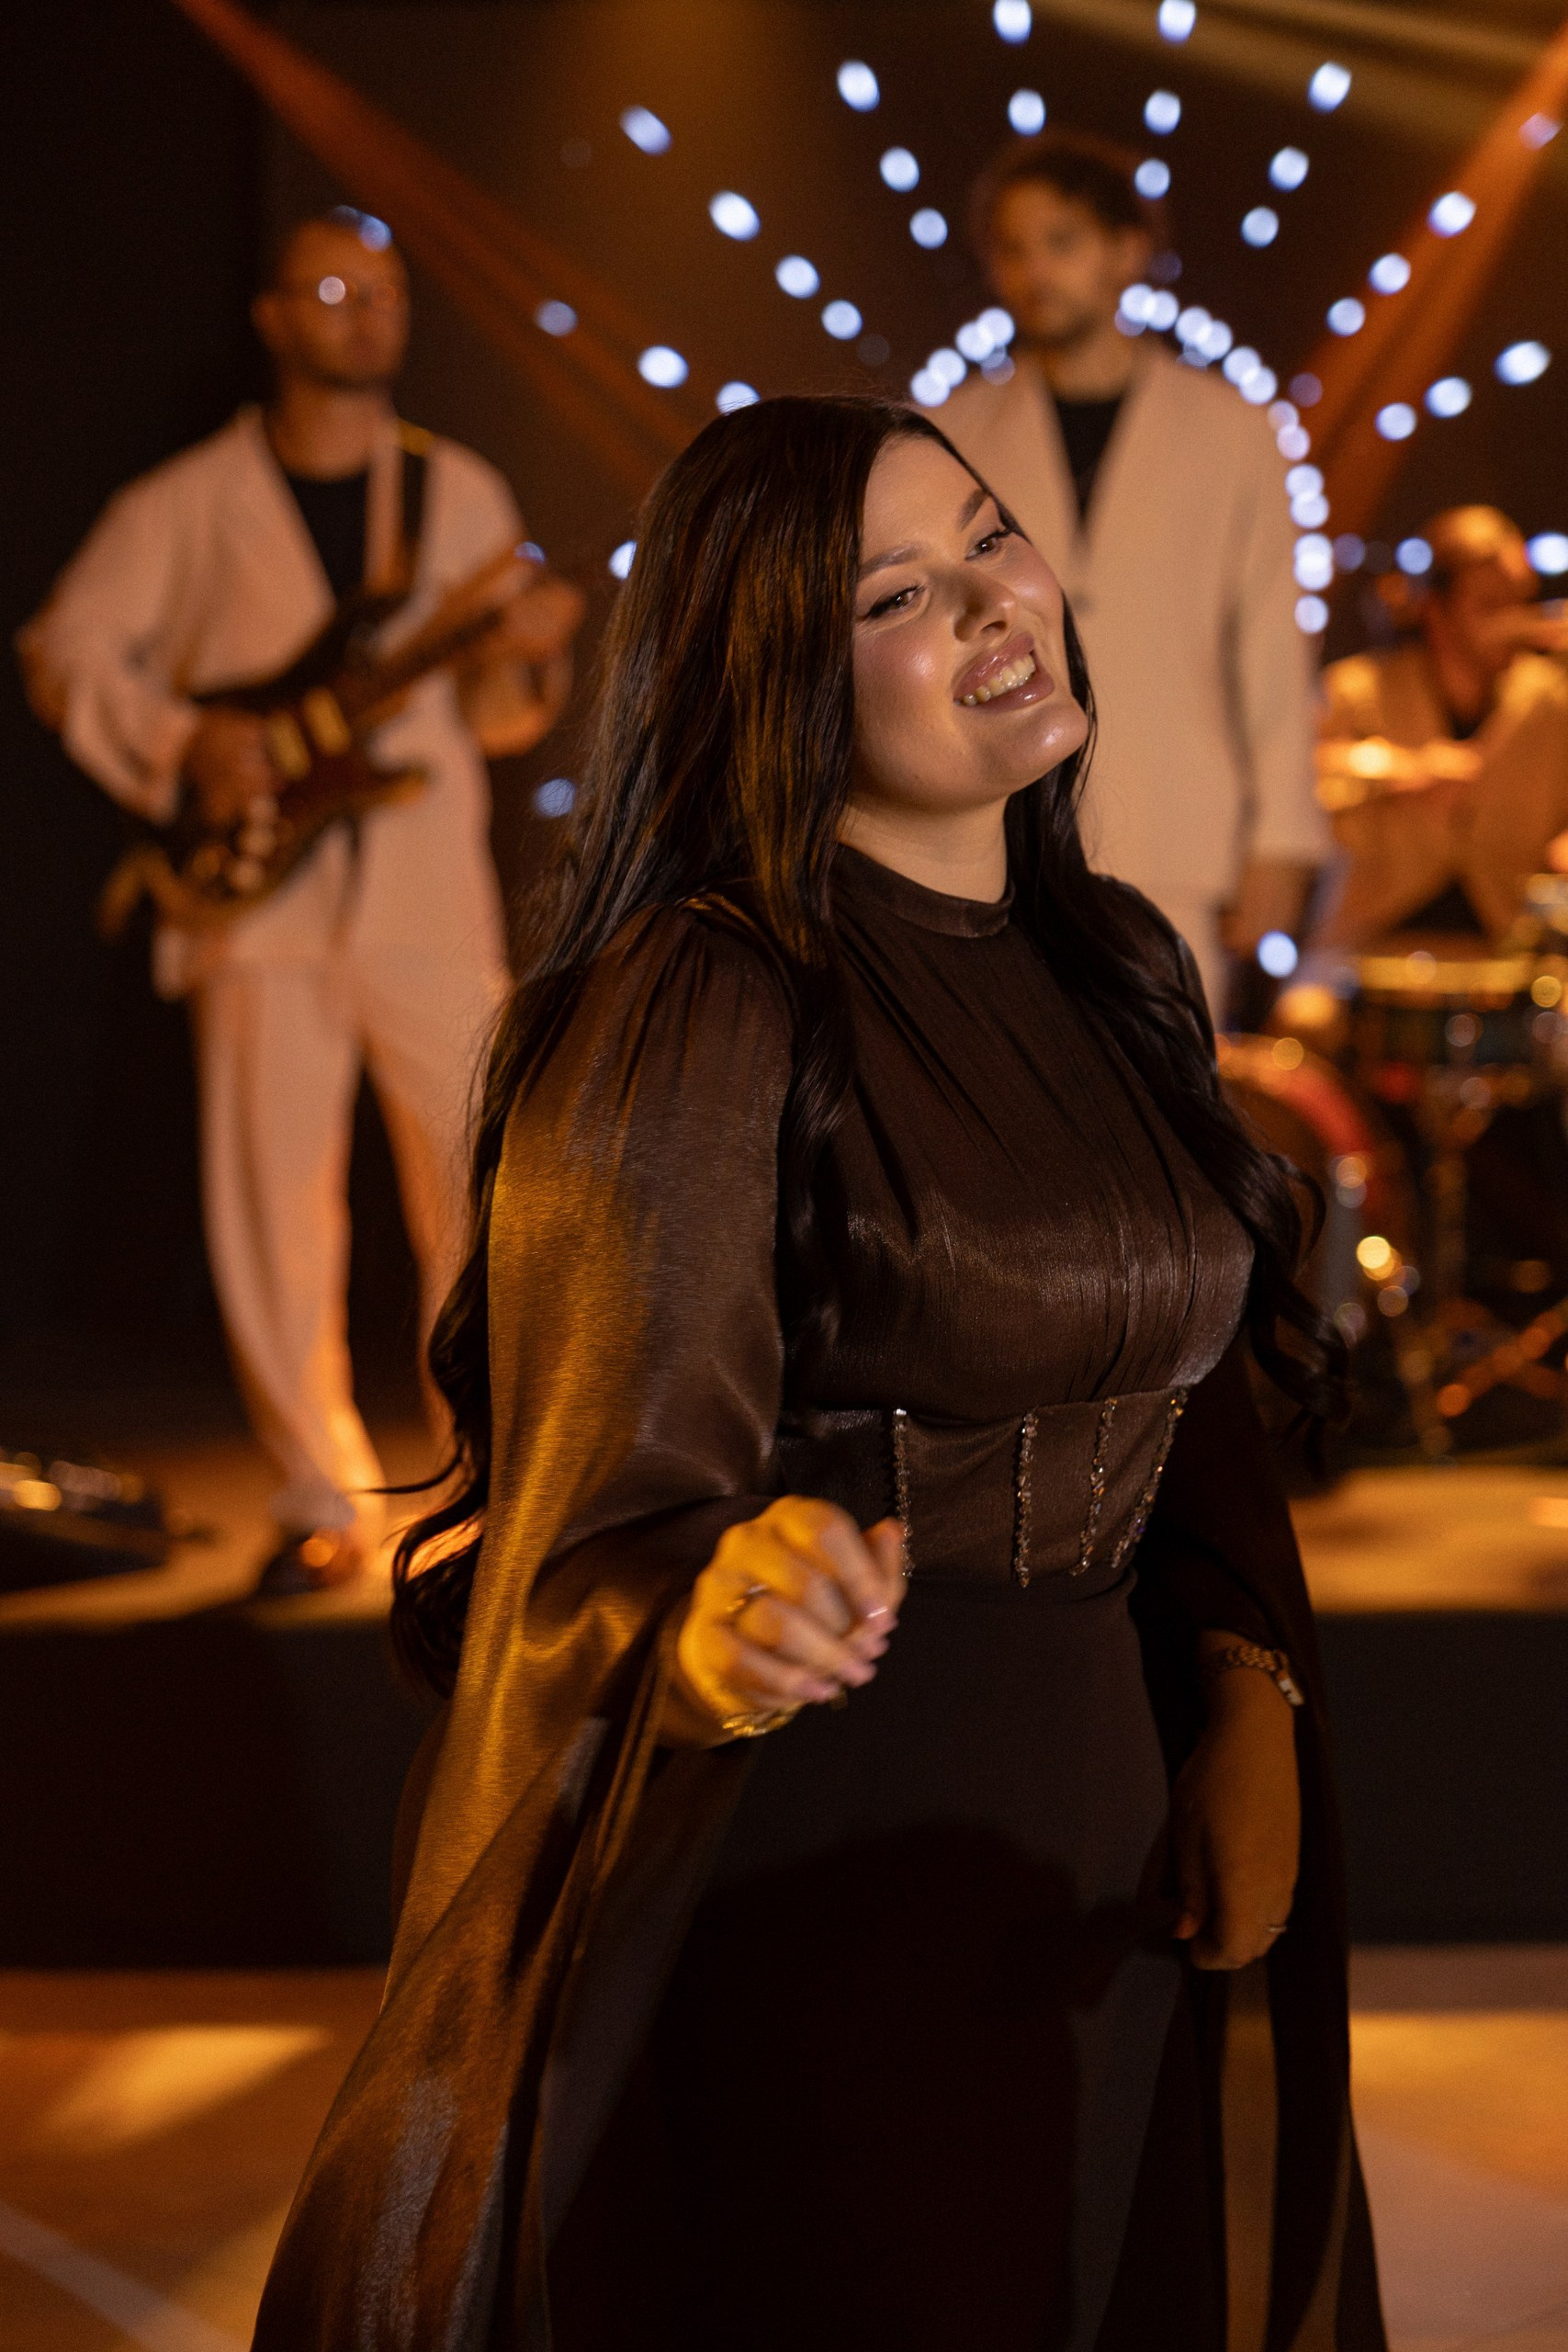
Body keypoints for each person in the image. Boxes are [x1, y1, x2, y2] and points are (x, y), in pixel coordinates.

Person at [251, 398, 1383, 2351]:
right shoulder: (696, 999)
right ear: (776, 676)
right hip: (829, 1854)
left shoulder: (1111, 959)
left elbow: (1181, 1369)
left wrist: (1242, 1685)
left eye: (989, 539)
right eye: (893, 596)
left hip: (1102, 1840)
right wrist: (715, 1615)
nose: (991, 605)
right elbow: (596, 1523)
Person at [17, 207, 583, 1593]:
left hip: (422, 894)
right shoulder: (185, 501)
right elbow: (63, 645)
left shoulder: (457, 493)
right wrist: (180, 742)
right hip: (255, 903)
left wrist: (525, 657)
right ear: (272, 318)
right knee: (272, 1213)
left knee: (481, 1192)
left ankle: (487, 1487)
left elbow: (500, 719)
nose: (361, 313)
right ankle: (319, 1496)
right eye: (330, 292)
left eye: (380, 291)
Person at [937, 130, 1325, 1019]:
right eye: (1012, 248)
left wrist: (1281, 836)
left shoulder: (1233, 431)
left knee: (1171, 1090)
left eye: (1060, 241)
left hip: (1174, 828)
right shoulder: (950, 430)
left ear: (1127, 250)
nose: (1035, 271)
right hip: (995, 835)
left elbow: (1271, 642)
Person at [1309, 505, 1568, 951]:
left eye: (1520, 601)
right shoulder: (1357, 691)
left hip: (1508, 948)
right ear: (1434, 609)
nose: (1511, 622)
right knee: (1308, 999)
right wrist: (1401, 772)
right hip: (1363, 945)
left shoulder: (1552, 703)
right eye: (1490, 606)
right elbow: (1299, 784)